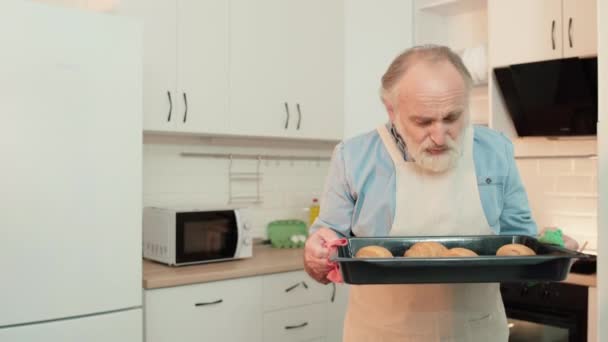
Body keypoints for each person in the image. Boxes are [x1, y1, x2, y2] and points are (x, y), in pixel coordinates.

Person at [304, 45, 537, 342]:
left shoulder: (496, 151)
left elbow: (522, 247)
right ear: (392, 109)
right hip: (381, 335)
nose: (440, 137)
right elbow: (323, 263)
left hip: (476, 332)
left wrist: (546, 248)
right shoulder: (353, 158)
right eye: (423, 121)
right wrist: (317, 256)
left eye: (452, 118)